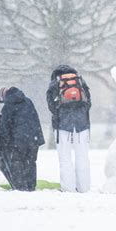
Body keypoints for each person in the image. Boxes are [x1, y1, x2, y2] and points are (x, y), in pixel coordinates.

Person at [46, 65, 91, 193]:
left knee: (65, 157)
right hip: (82, 125)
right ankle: (84, 188)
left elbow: (51, 107)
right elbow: (88, 103)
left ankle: (68, 188)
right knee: (82, 156)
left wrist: (61, 113)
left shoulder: (55, 84)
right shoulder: (81, 82)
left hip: (62, 126)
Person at [0, 86, 45, 191]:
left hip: (18, 141)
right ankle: (31, 186)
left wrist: (6, 141)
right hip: (33, 139)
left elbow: (5, 127)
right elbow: (35, 118)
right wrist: (38, 138)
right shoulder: (28, 101)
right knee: (30, 162)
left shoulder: (7, 107)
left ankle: (20, 187)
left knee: (17, 162)